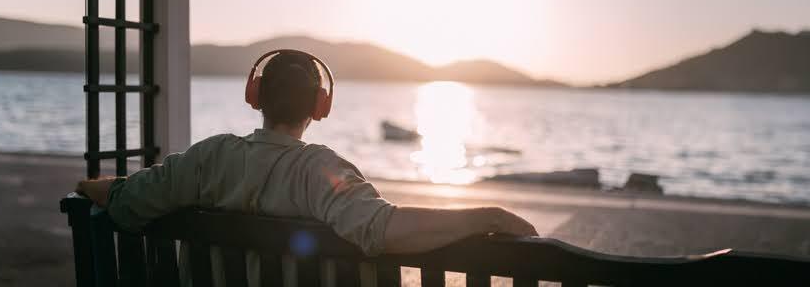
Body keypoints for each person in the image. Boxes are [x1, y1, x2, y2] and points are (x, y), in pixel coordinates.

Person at [75, 49, 536, 283]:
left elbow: (124, 199)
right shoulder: (322, 172)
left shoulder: (207, 158)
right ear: (320, 106)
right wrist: (488, 216)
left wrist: (87, 184)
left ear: (255, 96)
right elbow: (382, 229)